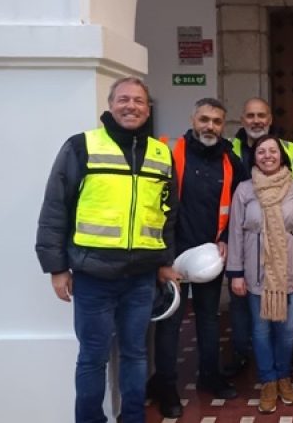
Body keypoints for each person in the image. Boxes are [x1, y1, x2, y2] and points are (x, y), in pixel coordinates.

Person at [35, 77, 179, 423]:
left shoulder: (162, 154)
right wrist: (57, 267)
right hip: (93, 274)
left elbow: (167, 214)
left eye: (139, 101)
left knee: (135, 354)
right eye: (123, 99)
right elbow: (56, 207)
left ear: (148, 109)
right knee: (93, 357)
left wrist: (165, 262)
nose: (131, 106)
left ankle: (133, 417)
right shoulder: (82, 146)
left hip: (141, 277)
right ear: (111, 105)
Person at [147, 98, 248, 418]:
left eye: (217, 121)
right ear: (193, 119)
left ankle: (210, 376)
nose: (210, 126)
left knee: (208, 318)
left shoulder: (231, 160)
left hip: (208, 256)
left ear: (224, 125)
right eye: (204, 119)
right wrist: (162, 258)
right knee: (170, 323)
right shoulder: (168, 151)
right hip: (172, 254)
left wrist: (227, 239)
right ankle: (166, 386)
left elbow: (240, 205)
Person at [226, 135, 293, 414]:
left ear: (282, 156)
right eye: (261, 152)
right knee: (260, 330)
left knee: (287, 331)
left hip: (291, 270)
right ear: (254, 157)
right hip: (256, 273)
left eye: (273, 151)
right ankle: (268, 381)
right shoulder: (244, 190)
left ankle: (284, 377)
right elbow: (235, 233)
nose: (267, 156)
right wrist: (236, 273)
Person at [226, 97, 293, 376]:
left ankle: (283, 365)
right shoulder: (229, 149)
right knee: (244, 316)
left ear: (270, 119)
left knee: (286, 323)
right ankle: (245, 359)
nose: (256, 120)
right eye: (250, 116)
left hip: (283, 252)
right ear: (242, 119)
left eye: (261, 115)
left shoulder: (291, 150)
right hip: (249, 247)